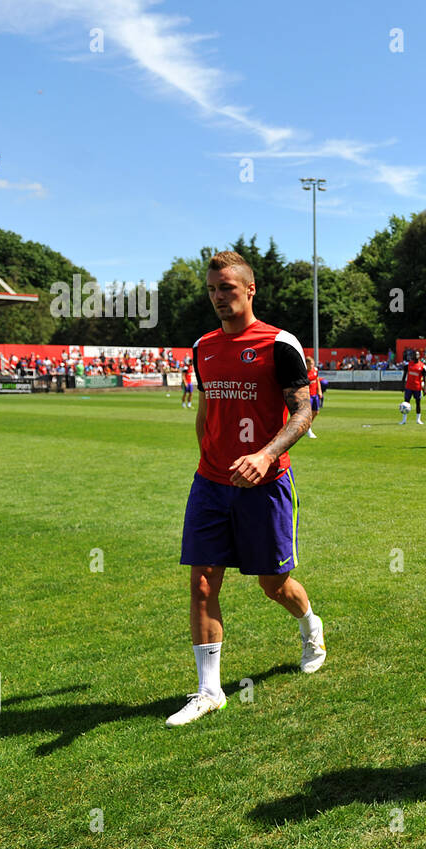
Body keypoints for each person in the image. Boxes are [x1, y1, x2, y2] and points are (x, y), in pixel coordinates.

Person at [170, 251, 323, 728]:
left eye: (227, 289)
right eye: (212, 289)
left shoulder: (280, 344)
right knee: (201, 582)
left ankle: (310, 627)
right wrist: (208, 462)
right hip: (211, 484)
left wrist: (264, 455)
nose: (218, 297)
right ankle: (209, 690)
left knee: (272, 584)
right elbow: (205, 413)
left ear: (250, 289)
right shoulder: (203, 346)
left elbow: (304, 411)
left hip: (267, 484)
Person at [401, 351, 426, 424]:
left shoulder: (422, 366)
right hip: (408, 387)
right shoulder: (408, 364)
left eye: (417, 355)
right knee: (406, 403)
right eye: (414, 355)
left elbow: (425, 378)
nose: (415, 356)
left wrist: (425, 388)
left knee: (418, 403)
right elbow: (404, 376)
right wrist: (402, 385)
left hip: (417, 387)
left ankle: (418, 419)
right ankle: (404, 420)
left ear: (419, 356)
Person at [305, 355, 322, 438]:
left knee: (316, 412)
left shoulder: (315, 370)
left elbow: (317, 380)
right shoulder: (304, 373)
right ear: (306, 364)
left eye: (312, 364)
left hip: (315, 394)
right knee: (308, 413)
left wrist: (320, 391)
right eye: (310, 364)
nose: (311, 366)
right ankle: (308, 429)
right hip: (308, 395)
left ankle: (307, 426)